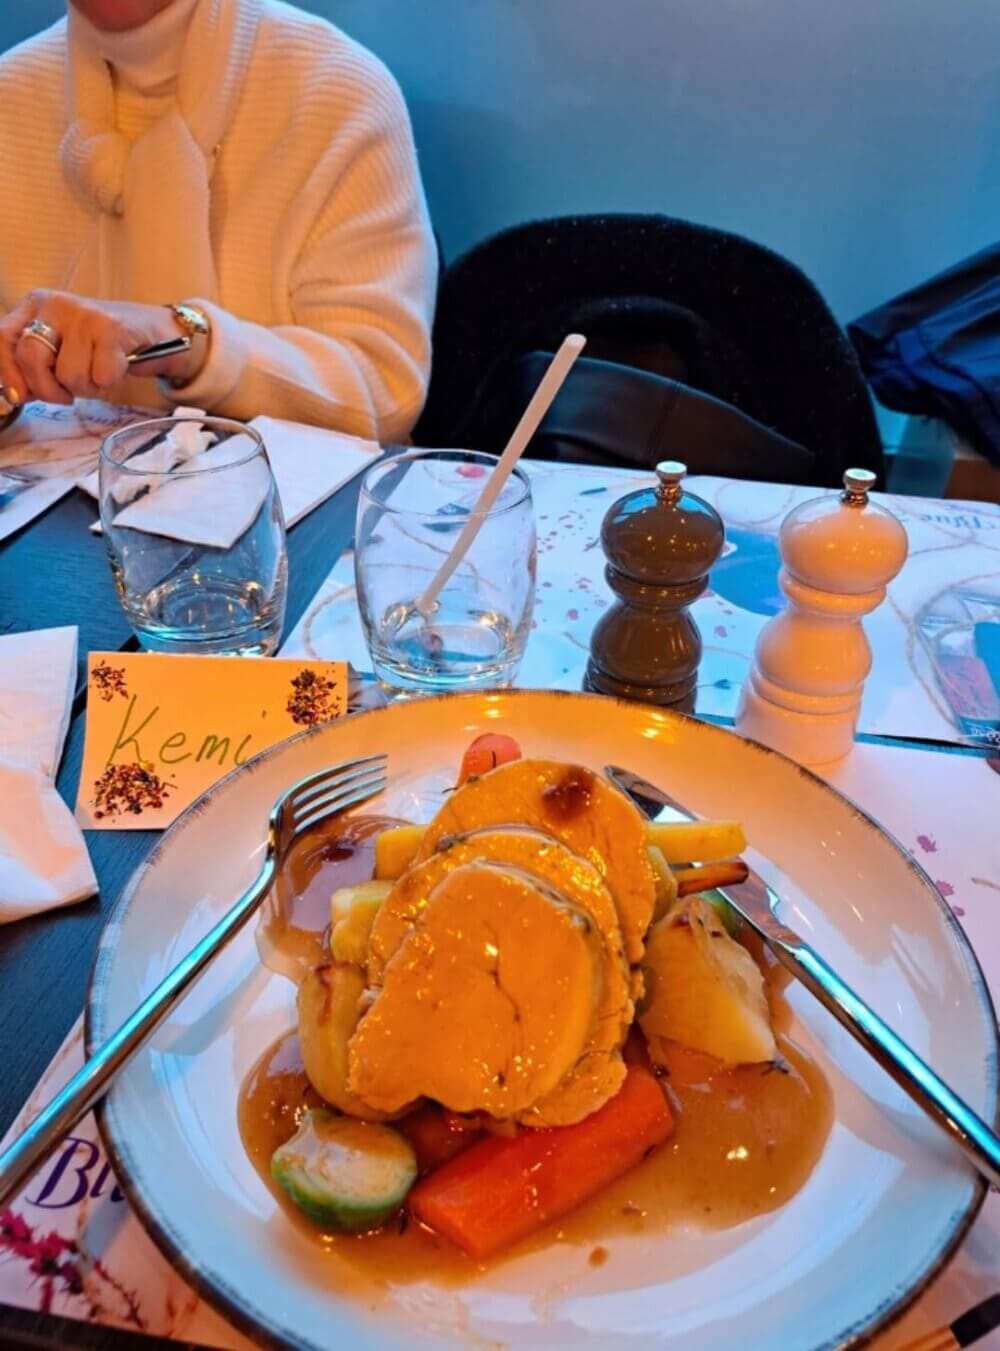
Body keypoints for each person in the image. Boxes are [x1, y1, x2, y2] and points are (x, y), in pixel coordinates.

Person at [0, 0, 437, 442]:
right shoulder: (10, 95)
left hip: (288, 508)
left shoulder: (339, 91)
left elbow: (384, 395)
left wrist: (187, 340)